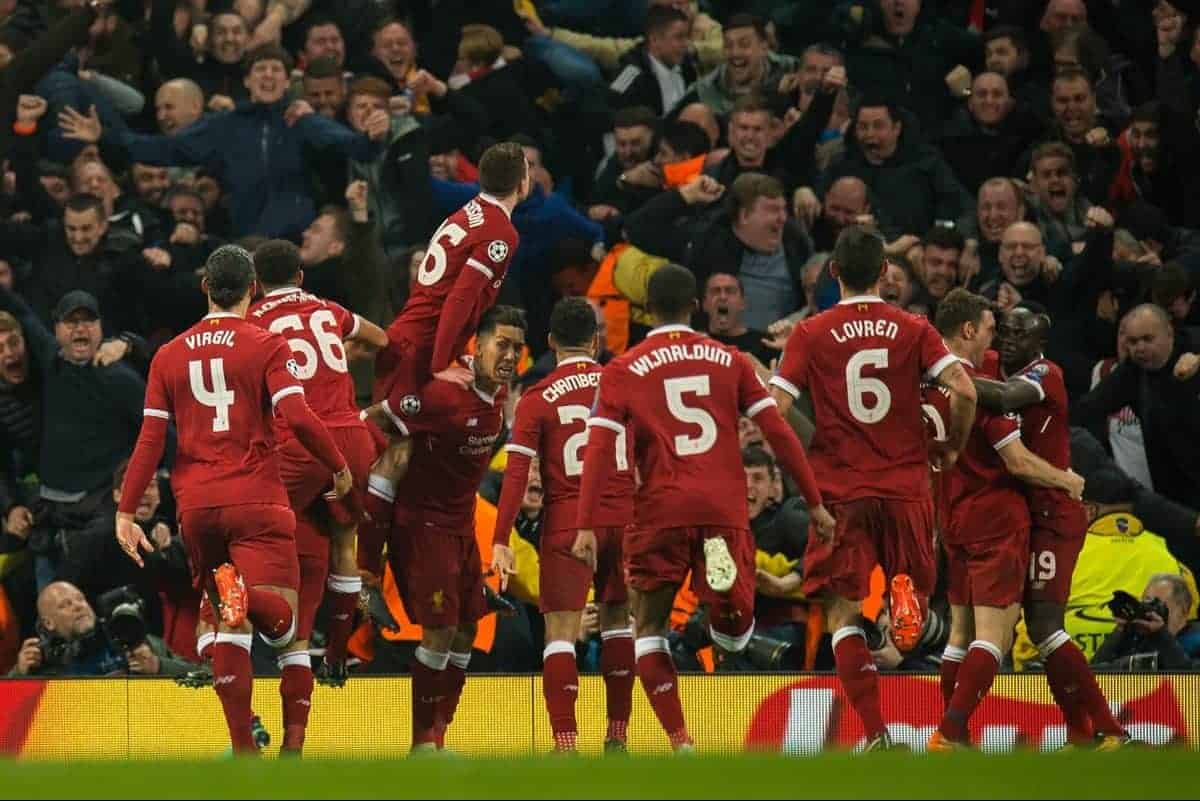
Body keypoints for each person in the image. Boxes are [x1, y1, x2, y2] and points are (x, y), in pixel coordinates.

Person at [575, 263, 832, 751]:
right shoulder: (729, 359)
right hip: (719, 516)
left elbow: (597, 451)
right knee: (731, 621)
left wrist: (586, 523)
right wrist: (814, 500)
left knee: (647, 627)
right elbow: (778, 430)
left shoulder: (622, 369)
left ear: (647, 311)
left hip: (659, 516)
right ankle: (723, 629)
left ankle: (680, 739)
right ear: (695, 307)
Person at [114, 245, 353, 755]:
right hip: (257, 498)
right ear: (254, 290)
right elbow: (299, 416)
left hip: (197, 507)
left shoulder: (168, 354)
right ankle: (291, 745)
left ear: (205, 288)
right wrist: (339, 465)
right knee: (284, 623)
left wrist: (125, 511)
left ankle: (244, 750)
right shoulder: (264, 344)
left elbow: (150, 441)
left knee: (223, 624)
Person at [768, 225, 977, 751]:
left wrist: (802, 469)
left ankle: (875, 733)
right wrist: (950, 446)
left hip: (842, 491)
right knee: (912, 582)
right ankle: (909, 593)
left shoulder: (811, 333)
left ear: (832, 272)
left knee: (841, 612)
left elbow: (778, 409)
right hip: (906, 485)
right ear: (886, 273)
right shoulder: (914, 328)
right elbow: (965, 388)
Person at [358, 142, 530, 584]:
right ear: (523, 182)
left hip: (408, 338)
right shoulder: (500, 233)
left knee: (401, 450)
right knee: (390, 450)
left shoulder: (468, 212)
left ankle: (383, 572)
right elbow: (459, 298)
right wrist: (441, 363)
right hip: (419, 350)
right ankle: (365, 574)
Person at [924, 289, 1083, 751]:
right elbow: (1016, 460)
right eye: (993, 331)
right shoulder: (971, 388)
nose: (999, 343)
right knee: (995, 636)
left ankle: (954, 733)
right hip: (994, 517)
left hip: (949, 514)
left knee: (958, 632)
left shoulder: (923, 383)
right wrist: (1066, 480)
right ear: (970, 331)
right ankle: (950, 730)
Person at [368, 305, 527, 752]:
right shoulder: (439, 394)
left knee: (467, 632)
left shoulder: (496, 397)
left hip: (460, 531)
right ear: (477, 345)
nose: (511, 355)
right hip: (422, 526)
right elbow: (372, 420)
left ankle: (439, 736)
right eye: (502, 344)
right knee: (439, 632)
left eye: (517, 347)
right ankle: (422, 744)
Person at [972, 305, 1132, 749]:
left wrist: (945, 379)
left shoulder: (1047, 373)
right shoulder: (992, 365)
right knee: (1034, 628)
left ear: (1038, 342)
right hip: (1021, 516)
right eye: (1004, 330)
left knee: (1045, 626)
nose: (1008, 338)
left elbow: (1003, 398)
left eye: (1020, 333)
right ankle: (1080, 733)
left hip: (1055, 516)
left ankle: (1108, 727)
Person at [490, 297, 635, 753]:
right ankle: (617, 735)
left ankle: (566, 741)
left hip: (568, 523)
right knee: (618, 625)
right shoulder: (625, 385)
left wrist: (500, 537)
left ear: (550, 343)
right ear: (595, 340)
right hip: (624, 518)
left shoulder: (537, 398)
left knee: (560, 634)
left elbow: (516, 474)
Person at [246, 239, 388, 695]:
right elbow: (381, 338)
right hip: (353, 436)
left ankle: (246, 643)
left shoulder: (253, 321)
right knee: (341, 542)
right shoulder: (329, 310)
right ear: (301, 277)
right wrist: (347, 356)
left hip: (303, 442)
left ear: (255, 284)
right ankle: (337, 655)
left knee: (249, 534)